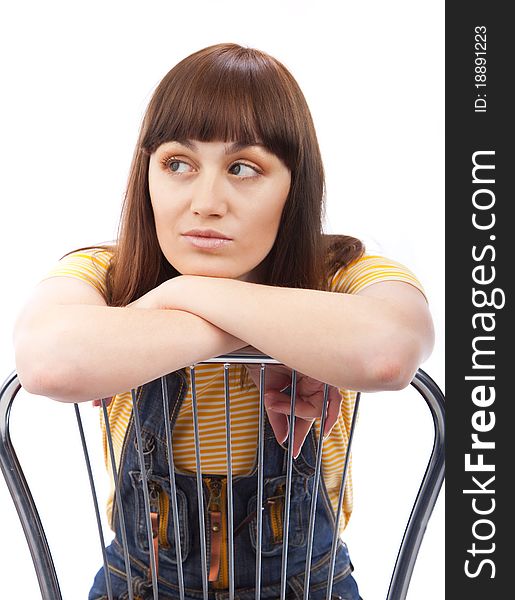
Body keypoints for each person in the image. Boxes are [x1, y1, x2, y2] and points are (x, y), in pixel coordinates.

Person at [13, 43, 434, 600]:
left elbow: (389, 351)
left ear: (295, 185)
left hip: (306, 586)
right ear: (149, 176)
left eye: (243, 168)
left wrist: (183, 294)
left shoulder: (342, 270)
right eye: (178, 164)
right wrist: (271, 325)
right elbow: (50, 363)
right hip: (138, 585)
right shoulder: (107, 274)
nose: (206, 202)